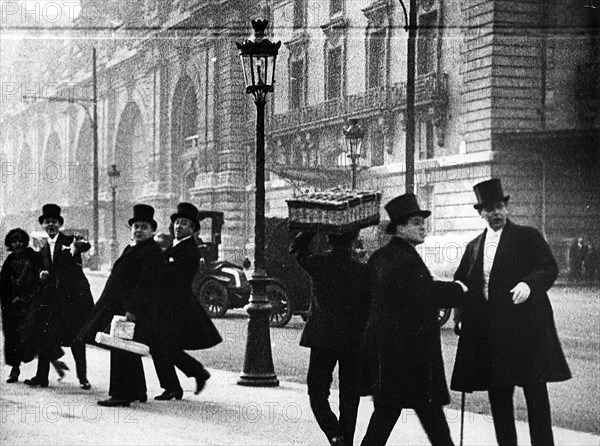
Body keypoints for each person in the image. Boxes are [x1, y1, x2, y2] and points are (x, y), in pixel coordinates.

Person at [451, 179, 571, 446]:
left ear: (506, 208)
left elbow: (548, 268)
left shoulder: (527, 237)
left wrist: (530, 284)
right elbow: (463, 285)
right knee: (500, 397)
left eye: (500, 207)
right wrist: (460, 319)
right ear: (480, 213)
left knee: (535, 396)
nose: (496, 213)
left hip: (526, 332)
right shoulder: (473, 247)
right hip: (494, 336)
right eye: (490, 209)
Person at [360, 193, 469, 446]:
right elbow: (427, 292)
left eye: (423, 222)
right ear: (399, 228)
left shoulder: (381, 257)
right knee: (429, 418)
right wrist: (461, 291)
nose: (423, 227)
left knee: (387, 415)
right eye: (416, 222)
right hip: (411, 358)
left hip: (387, 355)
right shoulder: (406, 260)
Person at [290, 229, 370, 446]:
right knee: (349, 396)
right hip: (353, 341)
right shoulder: (362, 271)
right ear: (353, 241)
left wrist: (310, 229)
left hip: (322, 339)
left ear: (328, 239)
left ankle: (333, 433)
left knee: (317, 392)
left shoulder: (319, 264)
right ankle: (347, 441)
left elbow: (296, 249)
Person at [78, 204, 162, 407]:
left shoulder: (151, 251)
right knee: (127, 348)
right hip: (120, 306)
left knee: (120, 350)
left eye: (144, 226)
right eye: (136, 226)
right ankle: (138, 391)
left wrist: (132, 311)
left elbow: (145, 284)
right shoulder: (134, 247)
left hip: (130, 309)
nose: (139, 230)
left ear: (152, 230)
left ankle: (121, 394)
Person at [150, 202, 221, 401]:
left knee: (160, 344)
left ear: (192, 229)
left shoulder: (190, 250)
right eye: (177, 223)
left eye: (184, 223)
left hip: (177, 305)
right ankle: (192, 375)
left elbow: (173, 277)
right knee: (163, 345)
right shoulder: (176, 247)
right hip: (169, 304)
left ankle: (177, 384)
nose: (178, 227)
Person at [23, 204, 93, 389]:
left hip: (72, 300)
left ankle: (83, 378)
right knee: (45, 336)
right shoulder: (44, 247)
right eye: (47, 222)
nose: (50, 225)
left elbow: (85, 245)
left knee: (77, 339)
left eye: (54, 221)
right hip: (52, 300)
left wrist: (79, 246)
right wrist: (41, 275)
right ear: (43, 225)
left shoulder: (69, 240)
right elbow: (41, 268)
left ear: (60, 223)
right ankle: (41, 377)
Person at [0, 228, 44, 383]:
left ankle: (40, 371)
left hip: (31, 302)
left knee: (31, 332)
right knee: (13, 337)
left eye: (20, 240)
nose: (17, 244)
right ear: (10, 244)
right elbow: (3, 283)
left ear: (25, 242)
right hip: (13, 304)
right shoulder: (9, 261)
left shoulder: (33, 257)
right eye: (14, 241)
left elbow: (40, 275)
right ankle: (15, 369)